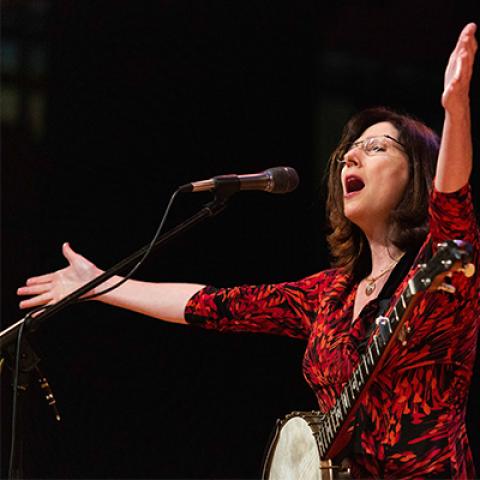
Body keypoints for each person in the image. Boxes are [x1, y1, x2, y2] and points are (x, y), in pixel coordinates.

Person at [18, 23, 478, 479]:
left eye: (375, 148)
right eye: (347, 151)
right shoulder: (329, 296)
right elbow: (212, 305)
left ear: (416, 172)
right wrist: (100, 284)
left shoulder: (441, 274)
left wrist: (455, 111)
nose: (350, 158)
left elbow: (452, 204)